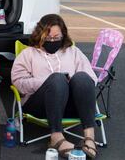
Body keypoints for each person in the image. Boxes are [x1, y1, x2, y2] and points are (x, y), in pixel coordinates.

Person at [11, 14, 98, 159]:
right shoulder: (28, 54)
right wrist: (48, 82)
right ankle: (56, 137)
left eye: (56, 37)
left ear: (63, 36)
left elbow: (92, 79)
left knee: (82, 77)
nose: (52, 40)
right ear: (40, 35)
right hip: (40, 105)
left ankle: (89, 137)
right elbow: (18, 82)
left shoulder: (73, 52)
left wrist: (71, 83)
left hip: (71, 105)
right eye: (48, 37)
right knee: (57, 79)